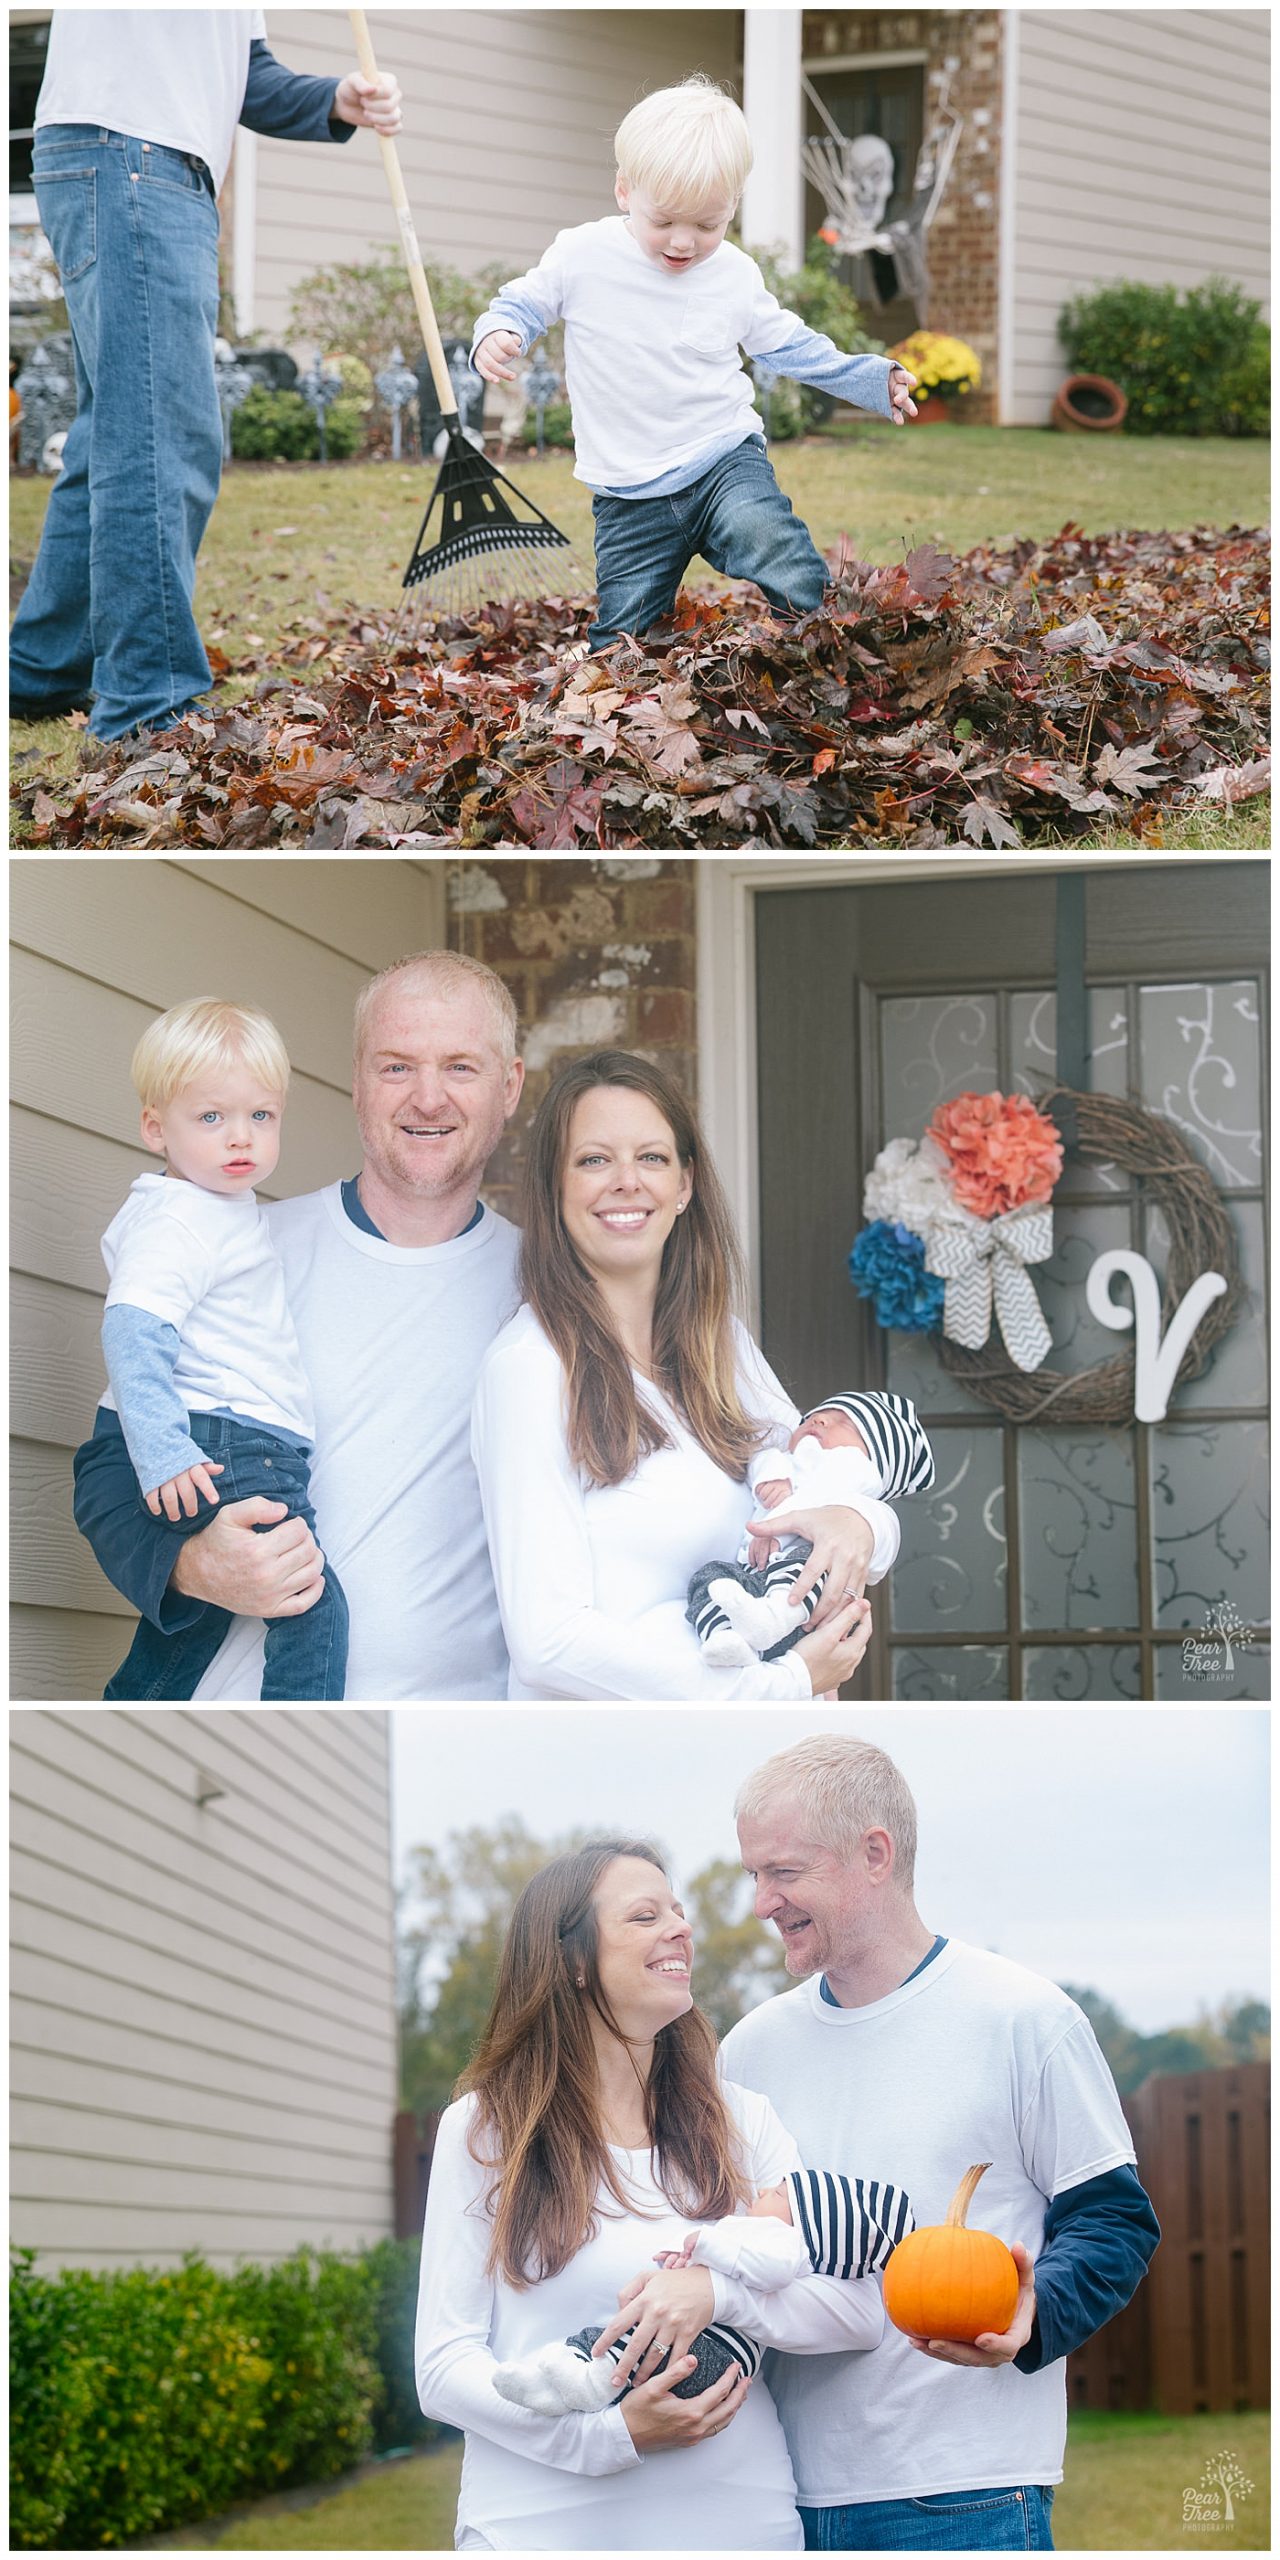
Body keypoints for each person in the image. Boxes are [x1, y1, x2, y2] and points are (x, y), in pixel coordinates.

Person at [719, 1734, 1162, 2553]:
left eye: (782, 1872)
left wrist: (1037, 2311)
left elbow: (1115, 2223)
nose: (760, 1902)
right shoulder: (747, 2050)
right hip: (771, 2499)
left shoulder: (1025, 2019)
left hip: (967, 2497)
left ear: (874, 1854)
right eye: (754, 1874)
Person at [414, 1839, 889, 2551]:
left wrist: (716, 2295)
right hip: (539, 2530)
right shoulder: (485, 2130)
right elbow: (444, 2369)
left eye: (678, 1911)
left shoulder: (741, 2121)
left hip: (739, 2527)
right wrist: (610, 2437)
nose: (679, 1928)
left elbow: (857, 2312)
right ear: (572, 1961)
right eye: (644, 1916)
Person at [73, 951, 524, 1699]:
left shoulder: (554, 1290)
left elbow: (717, 1406)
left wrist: (798, 1422)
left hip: (434, 1727)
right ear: (355, 1081)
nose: (428, 1097)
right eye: (395, 1067)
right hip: (230, 1717)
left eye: (461, 1068)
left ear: (508, 1086)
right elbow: (107, 1471)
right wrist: (191, 1564)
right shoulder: (247, 1251)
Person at [9, 10, 402, 741]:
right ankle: (148, 704)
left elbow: (244, 74)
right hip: (130, 153)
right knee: (162, 437)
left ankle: (40, 671)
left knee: (117, 435)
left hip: (144, 161)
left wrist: (333, 99)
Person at [471, 1050, 908, 1699]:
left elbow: (831, 1490)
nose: (627, 1181)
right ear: (554, 1188)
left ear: (685, 1185)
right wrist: (779, 1687)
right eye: (594, 1160)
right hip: (623, 1776)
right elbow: (548, 1643)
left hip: (759, 1765)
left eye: (651, 1157)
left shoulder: (719, 1346)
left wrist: (865, 1526)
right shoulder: (530, 1370)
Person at [471, 77, 918, 651]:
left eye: (708, 225)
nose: (684, 241)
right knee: (621, 638)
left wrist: (868, 377)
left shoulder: (732, 274)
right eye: (665, 221)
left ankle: (823, 652)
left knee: (782, 554)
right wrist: (501, 330)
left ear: (732, 206)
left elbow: (788, 343)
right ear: (624, 191)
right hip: (628, 491)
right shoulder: (582, 255)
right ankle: (604, 705)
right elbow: (524, 300)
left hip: (722, 460)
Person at [75, 998, 347, 1700]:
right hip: (224, 1439)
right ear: (154, 1127)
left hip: (222, 1435)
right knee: (312, 1607)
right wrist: (165, 1451)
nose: (240, 1138)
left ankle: (134, 1708)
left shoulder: (207, 1209)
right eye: (211, 1117)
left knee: (194, 1623)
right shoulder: (184, 1218)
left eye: (261, 1116)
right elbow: (133, 1328)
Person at [493, 2164, 914, 2415]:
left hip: (715, 2353)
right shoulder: (766, 2233)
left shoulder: (782, 2241)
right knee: (615, 2341)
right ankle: (559, 2379)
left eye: (780, 2192)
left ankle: (579, 2388)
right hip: (714, 2354)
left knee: (626, 2351)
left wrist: (707, 2247)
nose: (765, 2190)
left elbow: (771, 2271)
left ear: (805, 2221)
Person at [688, 1393, 934, 1666]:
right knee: (711, 1578)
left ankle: (774, 1617)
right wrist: (772, 1477)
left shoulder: (854, 1471)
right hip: (753, 1576)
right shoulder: (786, 1460)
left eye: (846, 1423)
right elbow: (762, 1457)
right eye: (815, 1414)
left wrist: (774, 1533)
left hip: (801, 1609)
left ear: (876, 1459)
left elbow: (816, 1497)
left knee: (810, 1562)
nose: (819, 1418)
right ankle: (727, 1639)